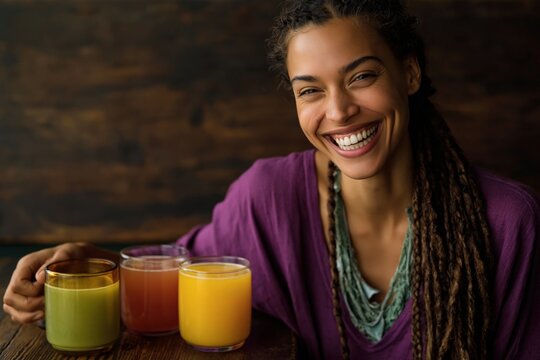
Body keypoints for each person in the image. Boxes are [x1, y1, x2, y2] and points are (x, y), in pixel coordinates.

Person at [3, 0, 539, 359]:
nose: (340, 110)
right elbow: (177, 278)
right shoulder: (270, 198)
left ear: (411, 73)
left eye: (362, 77)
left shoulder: (510, 222)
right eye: (310, 90)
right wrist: (87, 264)